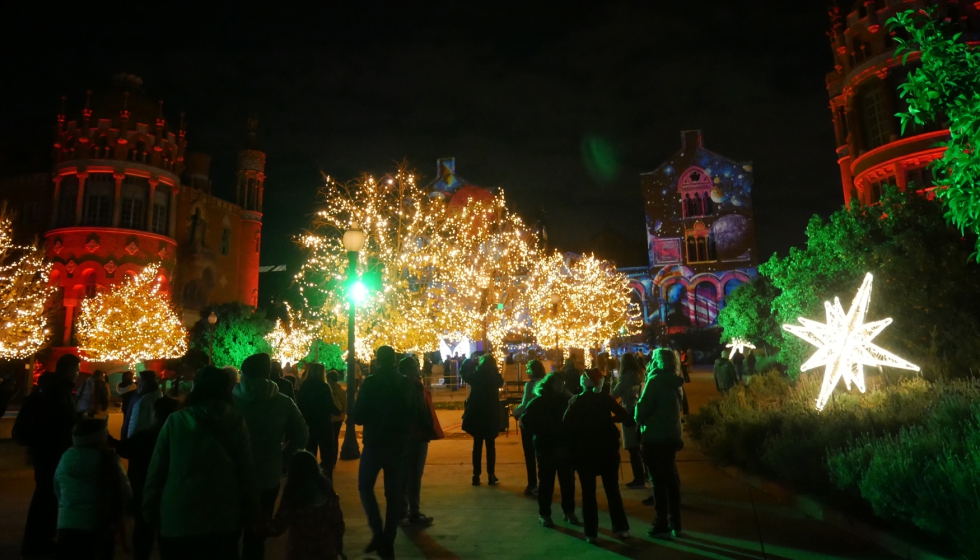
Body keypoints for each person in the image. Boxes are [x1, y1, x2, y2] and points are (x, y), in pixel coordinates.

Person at [143, 365, 259, 560]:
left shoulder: (175, 421)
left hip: (178, 515)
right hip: (222, 515)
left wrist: (149, 509)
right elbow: (246, 470)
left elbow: (157, 470)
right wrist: (252, 510)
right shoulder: (235, 422)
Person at [234, 352, 310, 560]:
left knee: (231, 531)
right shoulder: (282, 402)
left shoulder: (231, 401)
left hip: (234, 475)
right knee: (258, 530)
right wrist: (285, 457)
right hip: (268, 473)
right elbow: (302, 434)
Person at [352, 345, 416, 560]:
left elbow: (358, 416)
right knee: (393, 494)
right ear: (395, 361)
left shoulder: (370, 383)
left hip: (374, 443)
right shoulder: (406, 383)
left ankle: (377, 530)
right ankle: (388, 539)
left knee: (365, 486)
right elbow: (414, 413)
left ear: (377, 360)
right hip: (397, 445)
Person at [14, 353, 80, 557]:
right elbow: (61, 424)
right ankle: (38, 544)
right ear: (69, 371)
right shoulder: (58, 393)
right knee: (47, 497)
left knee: (46, 495)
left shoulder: (49, 389)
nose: (77, 374)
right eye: (76, 370)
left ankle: (39, 542)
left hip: (43, 452)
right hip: (51, 452)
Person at [563, 368, 630, 543]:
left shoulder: (576, 400)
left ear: (586, 381)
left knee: (588, 493)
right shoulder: (604, 398)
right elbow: (623, 414)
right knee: (612, 490)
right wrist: (609, 421)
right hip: (606, 449)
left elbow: (566, 423)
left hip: (584, 451)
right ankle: (620, 528)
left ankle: (591, 532)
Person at [109, 396, 180, 560]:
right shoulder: (179, 435)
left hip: (144, 487)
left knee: (143, 530)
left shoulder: (148, 436)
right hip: (171, 491)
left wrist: (106, 438)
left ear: (156, 413)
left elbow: (124, 448)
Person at [53, 418, 132, 560]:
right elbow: (125, 492)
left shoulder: (66, 458)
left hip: (67, 526)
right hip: (98, 527)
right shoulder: (108, 460)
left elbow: (57, 489)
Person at [636, 348, 685, 538]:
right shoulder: (675, 382)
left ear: (656, 362)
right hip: (672, 436)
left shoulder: (654, 381)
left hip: (654, 437)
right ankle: (676, 523)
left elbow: (641, 411)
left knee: (657, 481)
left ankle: (661, 522)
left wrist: (638, 411)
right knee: (671, 479)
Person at [520, 372, 579, 528]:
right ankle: (545, 514)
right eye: (556, 383)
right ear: (549, 384)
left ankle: (568, 511)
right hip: (547, 447)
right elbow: (527, 421)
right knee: (547, 483)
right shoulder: (539, 402)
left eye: (561, 383)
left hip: (563, 447)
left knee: (567, 482)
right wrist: (540, 433)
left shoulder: (566, 401)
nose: (559, 386)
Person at [265, 450, 345, 560]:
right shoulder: (327, 491)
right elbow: (338, 524)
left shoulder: (293, 496)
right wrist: (338, 544)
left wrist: (255, 523)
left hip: (300, 553)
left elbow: (278, 526)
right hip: (326, 552)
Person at [400, 355, 443, 524]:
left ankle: (402, 509)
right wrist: (428, 427)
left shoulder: (399, 385)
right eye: (416, 366)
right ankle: (414, 512)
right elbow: (420, 410)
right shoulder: (415, 386)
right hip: (417, 435)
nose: (419, 369)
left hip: (404, 435)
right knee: (414, 474)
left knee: (404, 474)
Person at [461, 354, 504, 486]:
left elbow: (464, 374)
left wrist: (468, 361)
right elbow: (501, 382)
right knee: (490, 446)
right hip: (490, 414)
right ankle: (491, 474)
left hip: (477, 414)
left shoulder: (476, 375)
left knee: (477, 445)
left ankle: (476, 475)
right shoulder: (495, 377)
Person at [297, 363, 342, 477]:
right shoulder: (324, 386)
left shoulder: (304, 386)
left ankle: (310, 478)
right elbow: (330, 405)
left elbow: (299, 405)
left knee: (310, 453)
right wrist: (339, 411)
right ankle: (326, 480)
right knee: (327, 456)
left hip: (308, 424)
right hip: (323, 424)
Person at [614, 353, 646, 489]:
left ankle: (638, 478)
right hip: (638, 410)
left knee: (632, 448)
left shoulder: (625, 377)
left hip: (628, 411)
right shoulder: (640, 375)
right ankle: (646, 473)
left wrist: (614, 382)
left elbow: (615, 393)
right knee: (640, 446)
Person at [513, 360, 545, 495]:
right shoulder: (546, 383)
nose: (527, 372)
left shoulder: (530, 385)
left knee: (529, 455)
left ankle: (532, 484)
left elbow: (525, 404)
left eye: (528, 369)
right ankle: (544, 483)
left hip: (529, 423)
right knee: (542, 455)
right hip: (543, 423)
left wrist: (515, 411)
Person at [128, 371, 163, 438]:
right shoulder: (159, 395)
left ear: (145, 382)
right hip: (155, 435)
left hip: (141, 438)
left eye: (139, 380)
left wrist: (130, 439)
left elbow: (135, 423)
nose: (138, 383)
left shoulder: (141, 399)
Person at [326, 369, 347, 473]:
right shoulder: (341, 391)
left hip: (328, 418)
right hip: (338, 418)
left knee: (328, 440)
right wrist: (343, 415)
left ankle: (328, 460)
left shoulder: (326, 389)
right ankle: (333, 461)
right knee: (335, 440)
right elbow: (344, 405)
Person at [115, 371, 137, 438]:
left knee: (125, 421)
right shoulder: (133, 386)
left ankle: (123, 436)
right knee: (130, 422)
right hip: (131, 404)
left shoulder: (120, 385)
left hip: (125, 405)